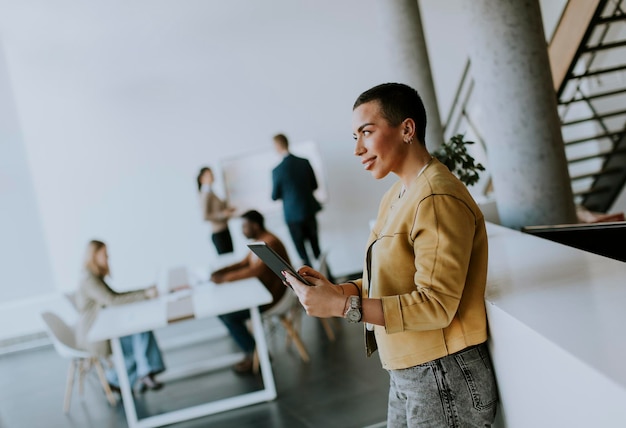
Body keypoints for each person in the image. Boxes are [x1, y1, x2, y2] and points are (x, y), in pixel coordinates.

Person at [283, 83, 498, 427]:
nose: (357, 149)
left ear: (407, 129)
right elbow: (384, 279)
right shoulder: (397, 195)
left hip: (442, 374)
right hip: (411, 369)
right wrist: (338, 292)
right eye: (355, 136)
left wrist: (342, 307)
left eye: (366, 132)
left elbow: (437, 304)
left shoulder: (435, 197)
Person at [75, 240, 166, 393]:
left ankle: (119, 379)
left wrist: (145, 292)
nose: (107, 258)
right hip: (95, 336)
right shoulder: (89, 279)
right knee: (140, 333)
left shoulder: (93, 276)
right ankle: (141, 373)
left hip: (103, 328)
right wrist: (145, 294)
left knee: (140, 335)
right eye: (104, 255)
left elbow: (115, 296)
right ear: (94, 256)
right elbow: (112, 301)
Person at [210, 210, 289, 373]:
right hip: (265, 294)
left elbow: (256, 271)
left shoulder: (269, 243)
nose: (242, 231)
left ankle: (256, 355)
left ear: (255, 225)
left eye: (244, 226)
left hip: (273, 298)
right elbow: (244, 264)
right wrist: (220, 272)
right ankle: (255, 353)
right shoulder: (260, 241)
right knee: (227, 312)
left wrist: (224, 278)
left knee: (228, 316)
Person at [271, 133, 322, 267]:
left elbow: (274, 196)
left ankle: (311, 285)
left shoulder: (277, 170)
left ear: (277, 146)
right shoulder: (304, 162)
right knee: (317, 250)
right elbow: (315, 185)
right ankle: (330, 281)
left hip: (292, 216)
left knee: (303, 255)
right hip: (309, 210)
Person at [197, 166, 236, 255]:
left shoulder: (211, 192)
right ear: (201, 179)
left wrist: (227, 210)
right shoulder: (205, 194)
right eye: (208, 175)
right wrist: (223, 214)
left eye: (212, 174)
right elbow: (205, 216)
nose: (212, 176)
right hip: (219, 233)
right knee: (227, 260)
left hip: (224, 230)